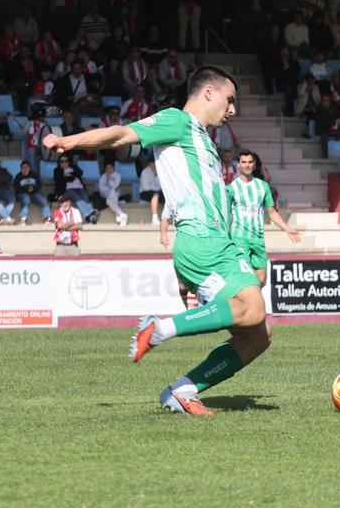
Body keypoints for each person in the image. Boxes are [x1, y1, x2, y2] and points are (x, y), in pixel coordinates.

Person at [43, 65, 270, 417]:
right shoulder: (177, 122)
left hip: (215, 243)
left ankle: (183, 390)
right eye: (230, 100)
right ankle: (160, 327)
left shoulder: (205, 142)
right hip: (202, 238)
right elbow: (121, 135)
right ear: (208, 92)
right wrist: (66, 142)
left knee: (258, 334)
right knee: (253, 308)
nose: (233, 110)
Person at [228, 150, 302, 285]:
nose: (247, 165)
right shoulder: (231, 188)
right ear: (238, 165)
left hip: (258, 239)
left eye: (250, 162)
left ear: (254, 164)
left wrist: (288, 229)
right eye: (243, 162)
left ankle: (251, 304)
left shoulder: (263, 186)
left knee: (261, 281)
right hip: (239, 238)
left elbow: (272, 212)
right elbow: (226, 214)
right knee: (243, 281)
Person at [13, 159, 51, 225]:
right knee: (26, 199)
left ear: (29, 168)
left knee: (43, 200)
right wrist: (27, 188)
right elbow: (17, 189)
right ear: (21, 169)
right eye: (23, 168)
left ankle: (47, 219)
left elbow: (39, 185)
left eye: (26, 167)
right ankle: (23, 219)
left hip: (34, 193)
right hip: (22, 194)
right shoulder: (18, 177)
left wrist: (33, 188)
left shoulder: (34, 175)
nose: (25, 169)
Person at [140, 158, 163, 224]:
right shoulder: (145, 172)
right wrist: (156, 190)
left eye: (155, 164)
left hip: (156, 192)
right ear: (149, 164)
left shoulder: (158, 171)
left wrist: (156, 176)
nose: (154, 166)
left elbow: (160, 186)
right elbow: (146, 188)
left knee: (166, 196)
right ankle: (155, 217)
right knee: (156, 194)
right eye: (152, 164)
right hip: (144, 193)